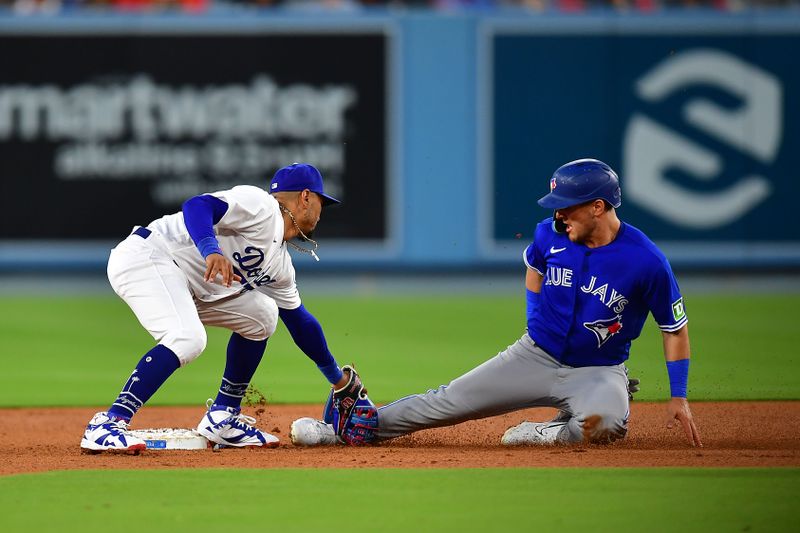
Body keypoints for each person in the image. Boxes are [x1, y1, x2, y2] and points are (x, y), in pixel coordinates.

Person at [291, 158, 702, 447]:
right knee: (446, 402)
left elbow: (675, 329)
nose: (559, 217)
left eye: (567, 208)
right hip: (534, 356)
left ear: (598, 206)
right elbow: (534, 270)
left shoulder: (646, 261)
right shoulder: (549, 235)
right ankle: (352, 428)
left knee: (604, 427)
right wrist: (534, 323)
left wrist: (679, 395)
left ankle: (551, 433)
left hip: (597, 370)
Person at [81, 163, 351, 453]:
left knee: (263, 315)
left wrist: (339, 380)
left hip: (190, 283)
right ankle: (107, 423)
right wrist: (211, 249)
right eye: (322, 201)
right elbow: (197, 205)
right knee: (188, 337)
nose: (322, 211)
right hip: (148, 256)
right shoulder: (261, 207)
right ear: (306, 197)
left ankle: (223, 417)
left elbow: (301, 323)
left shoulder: (280, 265)